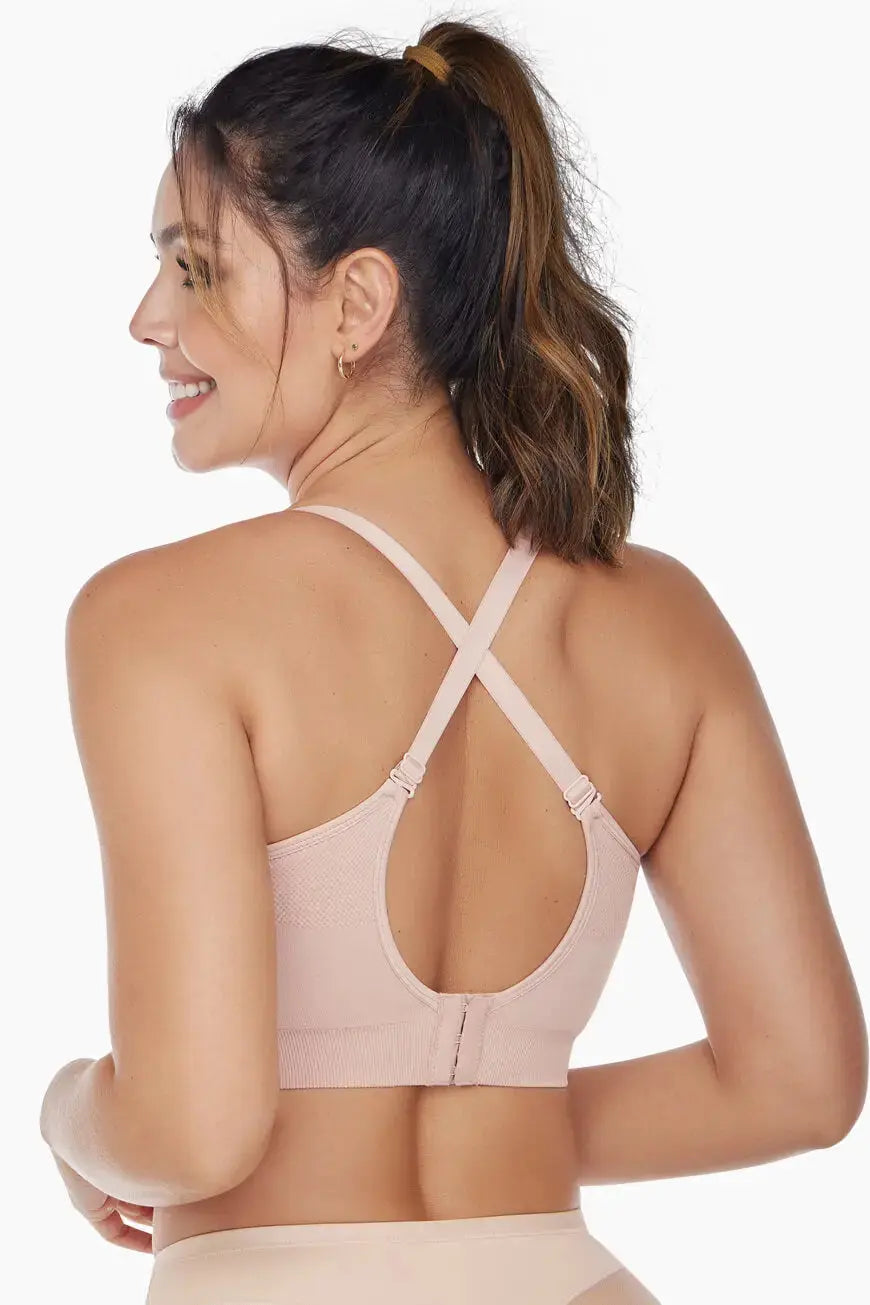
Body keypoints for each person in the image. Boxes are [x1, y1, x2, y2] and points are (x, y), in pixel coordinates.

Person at [37, 17, 866, 1305]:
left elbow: (193, 1130)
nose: (148, 318)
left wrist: (68, 1114)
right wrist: (503, 1127)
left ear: (358, 304)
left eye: (195, 269)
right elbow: (801, 1084)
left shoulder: (160, 619)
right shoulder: (663, 620)